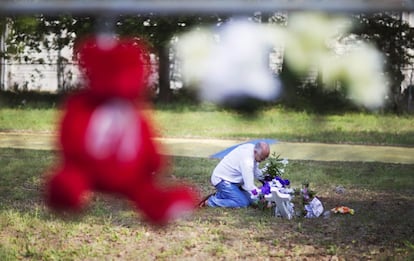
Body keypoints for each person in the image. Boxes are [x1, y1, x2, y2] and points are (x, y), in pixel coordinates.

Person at [200, 141, 270, 208]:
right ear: (255, 152)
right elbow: (249, 186)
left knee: (251, 200)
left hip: (234, 181)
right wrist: (261, 196)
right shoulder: (247, 161)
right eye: (261, 158)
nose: (262, 160)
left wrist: (266, 179)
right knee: (242, 203)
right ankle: (211, 202)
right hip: (222, 180)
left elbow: (255, 169)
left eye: (264, 158)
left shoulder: (252, 149)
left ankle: (224, 194)